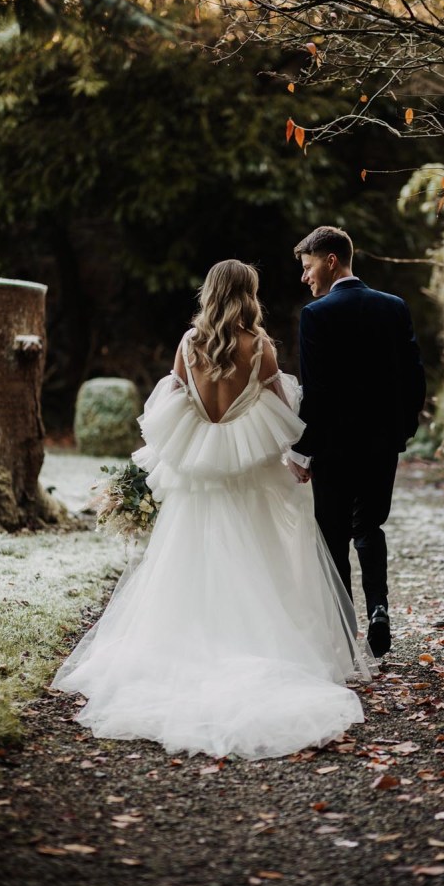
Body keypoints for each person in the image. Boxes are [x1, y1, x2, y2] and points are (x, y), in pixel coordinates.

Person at [52, 259, 373, 761]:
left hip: (198, 475)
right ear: (248, 294)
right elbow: (284, 411)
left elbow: (173, 403)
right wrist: (294, 456)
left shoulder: (188, 344)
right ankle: (259, 646)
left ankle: (184, 648)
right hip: (248, 476)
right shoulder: (260, 347)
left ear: (211, 293)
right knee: (260, 562)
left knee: (184, 565)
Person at [288, 227, 426, 659]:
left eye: (308, 267)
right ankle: (379, 610)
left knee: (332, 537)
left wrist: (302, 449)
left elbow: (317, 393)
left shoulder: (316, 316)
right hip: (381, 444)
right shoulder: (393, 307)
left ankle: (346, 632)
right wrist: (401, 429)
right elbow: (414, 377)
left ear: (331, 261)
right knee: (369, 527)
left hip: (333, 448)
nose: (305, 278)